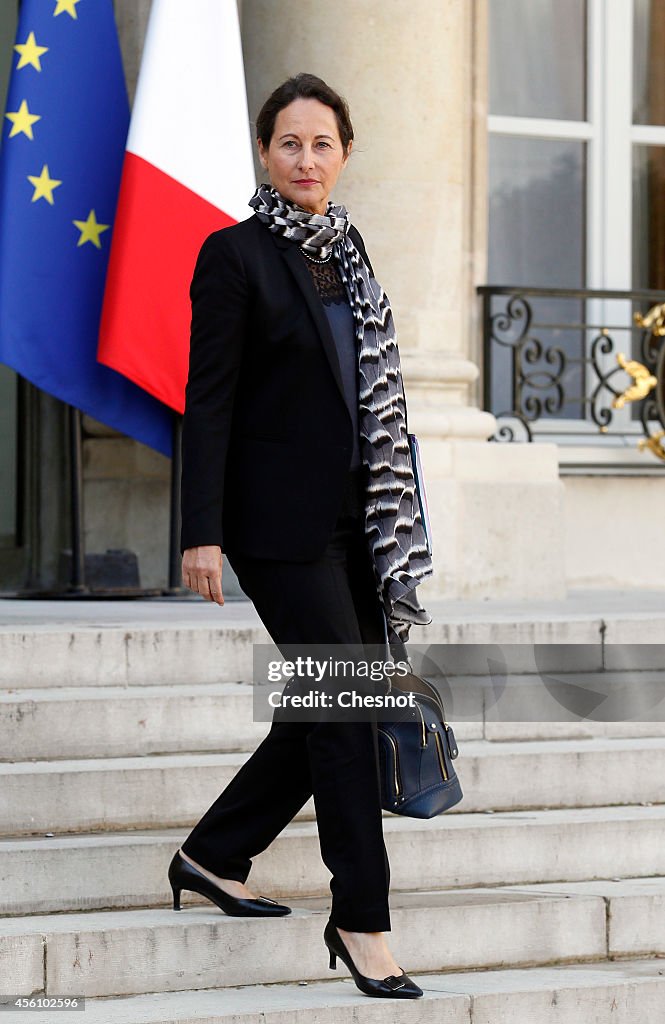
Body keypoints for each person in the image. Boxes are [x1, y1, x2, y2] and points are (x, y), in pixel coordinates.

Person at [168, 72, 432, 1000]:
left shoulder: (349, 256)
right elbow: (209, 402)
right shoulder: (233, 255)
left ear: (344, 153)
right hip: (276, 528)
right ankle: (361, 919)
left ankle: (213, 853)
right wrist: (200, 531)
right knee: (346, 711)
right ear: (264, 153)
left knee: (327, 700)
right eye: (289, 143)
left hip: (355, 524)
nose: (306, 160)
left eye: (322, 144)